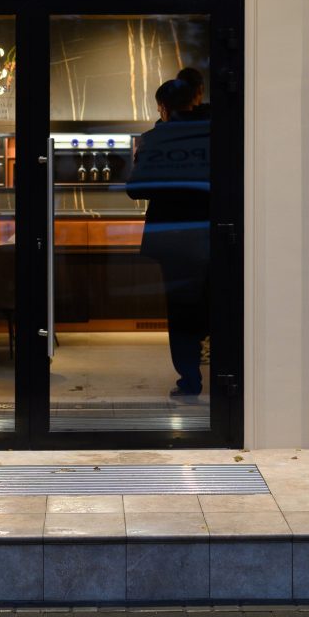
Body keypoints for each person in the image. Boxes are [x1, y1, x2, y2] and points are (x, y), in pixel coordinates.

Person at [128, 78, 210, 398]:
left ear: (163, 107)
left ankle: (190, 379)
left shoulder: (154, 139)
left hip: (172, 237)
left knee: (181, 309)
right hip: (213, 232)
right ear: (195, 101)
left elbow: (136, 188)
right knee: (217, 302)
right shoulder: (216, 134)